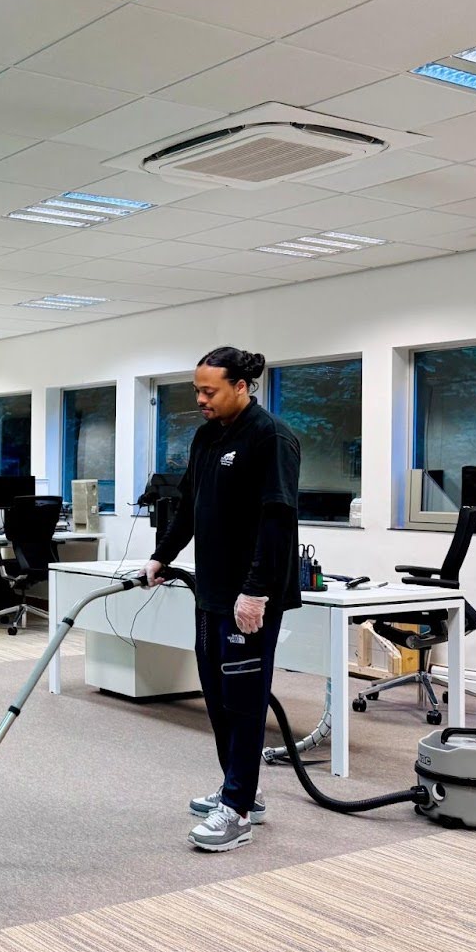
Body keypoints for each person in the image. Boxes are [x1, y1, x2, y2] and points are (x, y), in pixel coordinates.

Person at [145, 347, 301, 853]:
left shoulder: (270, 437)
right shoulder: (207, 436)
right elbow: (190, 504)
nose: (200, 399)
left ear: (242, 386)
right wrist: (161, 556)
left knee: (244, 701)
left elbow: (277, 523)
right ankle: (241, 790)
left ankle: (235, 808)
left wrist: (255, 592)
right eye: (197, 390)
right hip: (210, 594)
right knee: (215, 695)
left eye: (209, 390)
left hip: (248, 599)